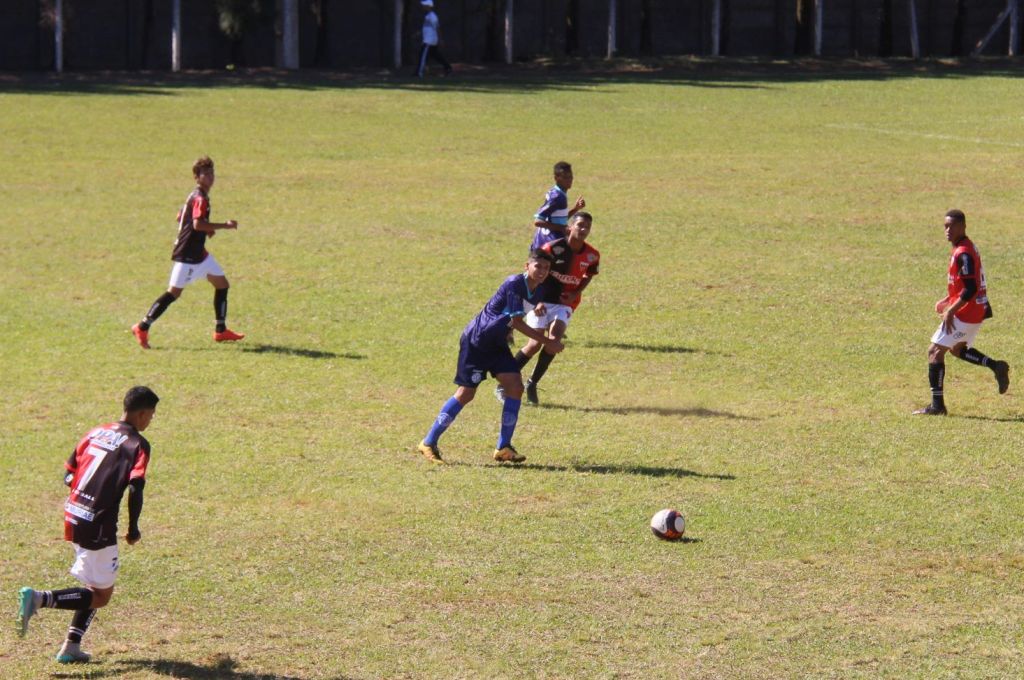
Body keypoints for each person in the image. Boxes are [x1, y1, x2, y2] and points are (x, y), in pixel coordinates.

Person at [17, 386, 160, 664]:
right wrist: (133, 528)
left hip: (74, 515)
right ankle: (38, 599)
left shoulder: (95, 432)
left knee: (91, 585)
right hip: (98, 523)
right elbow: (135, 488)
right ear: (142, 413)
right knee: (101, 596)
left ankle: (71, 646)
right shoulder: (137, 444)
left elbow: (68, 476)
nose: (151, 421)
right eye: (152, 415)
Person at [417, 250, 564, 464]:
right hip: (477, 341)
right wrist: (547, 341)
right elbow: (517, 322)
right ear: (527, 266)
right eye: (538, 266)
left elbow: (519, 311)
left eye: (546, 268)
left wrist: (538, 307)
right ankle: (428, 442)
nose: (542, 271)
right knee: (466, 393)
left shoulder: (539, 289)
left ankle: (503, 447)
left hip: (497, 343)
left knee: (515, 387)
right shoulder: (514, 283)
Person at [131, 156, 244, 349]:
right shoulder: (200, 198)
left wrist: (206, 229)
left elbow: (180, 216)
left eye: (212, 173)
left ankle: (220, 330)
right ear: (196, 177)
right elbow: (197, 223)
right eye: (205, 174)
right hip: (188, 254)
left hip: (200, 253)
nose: (210, 177)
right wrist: (223, 225)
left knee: (222, 284)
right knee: (174, 293)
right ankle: (142, 327)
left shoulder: (196, 195)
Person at [913, 209, 1009, 415]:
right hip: (976, 310)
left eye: (952, 226)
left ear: (963, 226)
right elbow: (966, 284)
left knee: (934, 352)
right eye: (945, 226)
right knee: (957, 349)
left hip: (967, 311)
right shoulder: (965, 247)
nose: (948, 230)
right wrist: (948, 300)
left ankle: (937, 406)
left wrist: (951, 310)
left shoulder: (963, 253)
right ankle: (996, 366)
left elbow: (971, 288)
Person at [499, 212, 599, 405]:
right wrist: (536, 301)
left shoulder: (592, 255)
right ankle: (504, 384)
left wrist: (576, 292)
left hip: (564, 304)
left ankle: (532, 383)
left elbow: (590, 273)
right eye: (580, 225)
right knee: (534, 344)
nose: (583, 229)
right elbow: (533, 273)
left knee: (554, 342)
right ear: (570, 227)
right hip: (542, 302)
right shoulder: (552, 249)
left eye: (587, 226)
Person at [530, 161, 586, 251]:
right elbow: (538, 221)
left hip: (549, 245)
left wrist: (576, 209)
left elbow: (559, 220)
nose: (569, 180)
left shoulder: (558, 193)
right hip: (548, 246)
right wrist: (563, 228)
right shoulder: (557, 196)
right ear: (556, 178)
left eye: (570, 176)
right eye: (565, 177)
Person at [415, 0, 452, 78]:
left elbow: (437, 28)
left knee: (422, 56)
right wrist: (420, 33)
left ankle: (419, 73)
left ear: (429, 6)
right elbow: (426, 27)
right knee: (436, 55)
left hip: (429, 40)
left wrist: (440, 39)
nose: (423, 6)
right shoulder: (427, 16)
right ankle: (448, 67)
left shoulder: (433, 16)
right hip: (429, 40)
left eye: (425, 5)